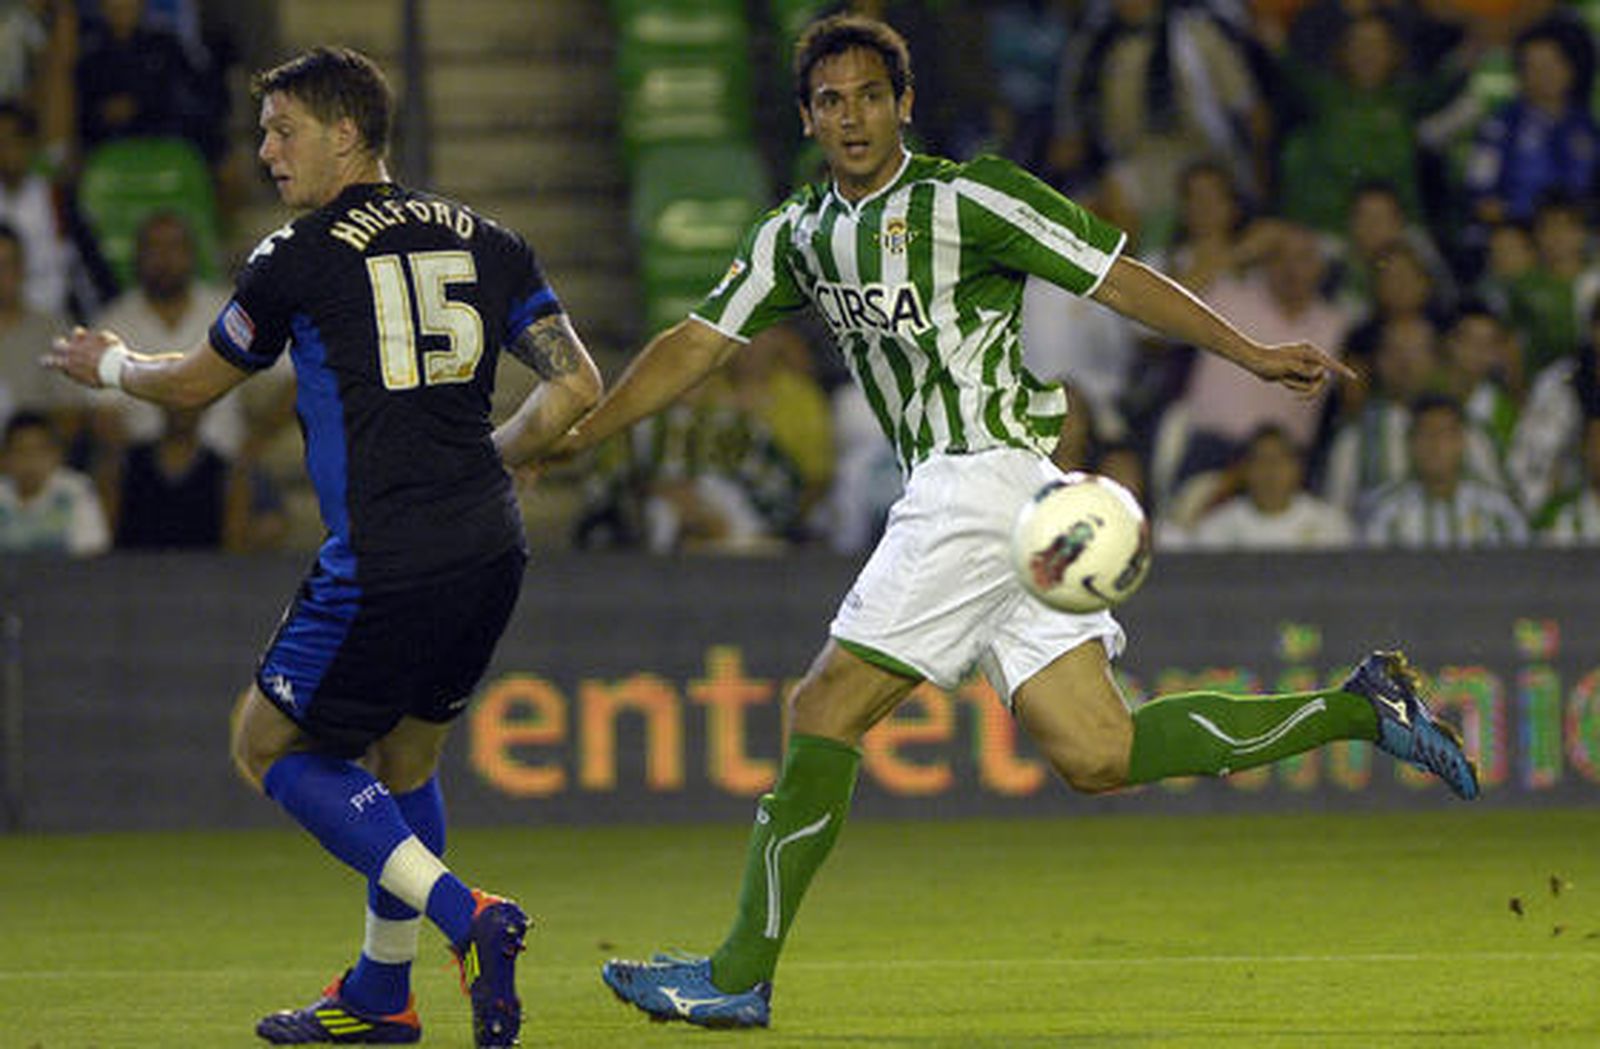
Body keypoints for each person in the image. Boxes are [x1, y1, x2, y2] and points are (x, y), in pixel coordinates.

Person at [537, 15, 1478, 1030]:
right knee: (1098, 751)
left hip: (976, 480)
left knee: (821, 710)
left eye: (867, 96)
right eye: (828, 101)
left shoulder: (965, 196)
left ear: (904, 103)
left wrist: (1244, 352)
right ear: (807, 118)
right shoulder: (797, 233)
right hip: (998, 496)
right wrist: (589, 429)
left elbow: (1111, 272)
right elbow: (696, 342)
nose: (850, 117)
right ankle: (1362, 705)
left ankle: (734, 973)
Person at [43, 45, 602, 1047]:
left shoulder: (297, 253)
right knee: (407, 758)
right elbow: (577, 388)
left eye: (282, 129)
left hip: (385, 551)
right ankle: (385, 994)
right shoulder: (489, 236)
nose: (264, 151)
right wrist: (499, 452)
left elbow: (193, 385)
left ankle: (468, 917)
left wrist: (113, 362)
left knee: (266, 745)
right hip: (489, 545)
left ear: (347, 133)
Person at [1362, 393, 1528, 547]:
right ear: (1411, 442)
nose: (1436, 445)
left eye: (1445, 434)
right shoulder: (1385, 511)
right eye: (1426, 434)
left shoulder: (1497, 509)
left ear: (1461, 442)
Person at [0, 407, 108, 555]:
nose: (30, 461)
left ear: (57, 455)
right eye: (21, 451)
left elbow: (92, 550)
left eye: (39, 451)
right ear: (4, 458)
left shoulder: (76, 490)